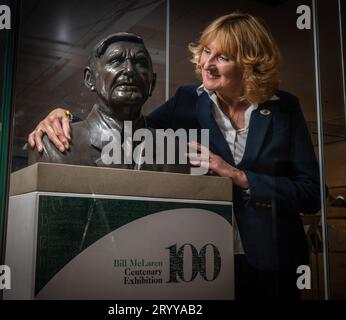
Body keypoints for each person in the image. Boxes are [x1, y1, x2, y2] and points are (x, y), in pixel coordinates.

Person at [28, 12, 321, 300]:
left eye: (223, 57)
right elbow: (132, 127)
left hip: (275, 260)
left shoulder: (284, 109)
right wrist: (66, 117)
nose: (207, 63)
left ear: (249, 64)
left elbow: (312, 193)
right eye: (207, 51)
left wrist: (241, 178)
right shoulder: (188, 101)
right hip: (207, 262)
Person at [28, 32, 188, 173]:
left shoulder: (176, 153)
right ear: (90, 79)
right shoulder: (51, 149)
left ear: (151, 84)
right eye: (116, 61)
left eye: (140, 62)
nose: (130, 70)